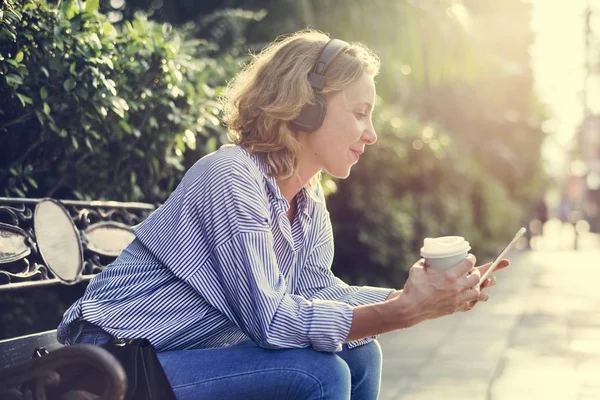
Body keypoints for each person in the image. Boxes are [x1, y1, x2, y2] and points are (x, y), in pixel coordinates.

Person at [57, 29, 508, 400]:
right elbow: (270, 321)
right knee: (318, 374)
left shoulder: (307, 199)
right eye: (359, 113)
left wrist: (419, 295)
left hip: (178, 358)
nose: (371, 134)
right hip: (112, 364)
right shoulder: (230, 175)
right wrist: (406, 312)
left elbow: (318, 293)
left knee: (361, 356)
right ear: (305, 107)